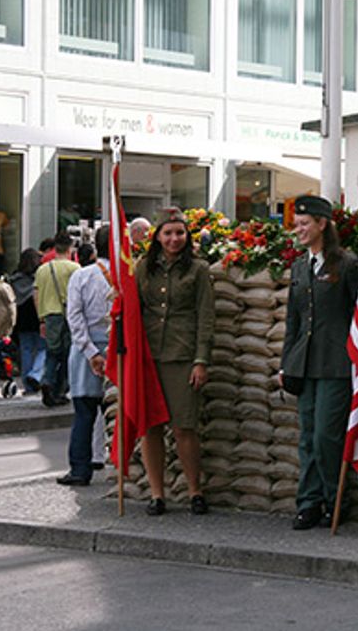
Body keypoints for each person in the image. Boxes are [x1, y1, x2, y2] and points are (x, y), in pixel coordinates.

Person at [280, 195, 358, 530]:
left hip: (337, 363)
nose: (298, 229)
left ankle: (335, 499)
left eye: (304, 224)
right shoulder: (300, 267)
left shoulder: (346, 264)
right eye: (297, 224)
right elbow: (293, 320)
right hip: (305, 363)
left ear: (322, 224)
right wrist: (286, 363)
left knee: (326, 437)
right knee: (307, 437)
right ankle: (309, 503)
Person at [136, 208, 213, 516]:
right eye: (167, 233)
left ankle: (195, 490)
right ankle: (157, 494)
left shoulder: (198, 269)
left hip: (182, 356)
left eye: (179, 232)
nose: (174, 239)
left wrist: (201, 360)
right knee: (151, 428)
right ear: (157, 236)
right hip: (148, 357)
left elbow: (206, 317)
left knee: (184, 427)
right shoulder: (144, 268)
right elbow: (134, 310)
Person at [57, 229, 114, 486]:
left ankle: (80, 469)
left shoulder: (81, 276)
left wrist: (90, 352)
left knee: (84, 413)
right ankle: (122, 466)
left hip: (84, 350)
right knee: (116, 413)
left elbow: (75, 317)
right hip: (117, 348)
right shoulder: (127, 276)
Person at [34, 233, 78, 407]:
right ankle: (59, 390)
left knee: (52, 353)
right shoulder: (75, 268)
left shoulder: (42, 269)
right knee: (67, 354)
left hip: (49, 316)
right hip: (68, 316)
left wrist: (41, 318)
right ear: (69, 249)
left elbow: (36, 295)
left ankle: (47, 381)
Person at [9, 248, 46, 394]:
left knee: (26, 350)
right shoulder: (39, 277)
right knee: (44, 348)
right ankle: (36, 375)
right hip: (37, 316)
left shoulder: (14, 279)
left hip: (21, 319)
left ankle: (27, 384)